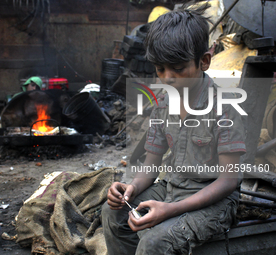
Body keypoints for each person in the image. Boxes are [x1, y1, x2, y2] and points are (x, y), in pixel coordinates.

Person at [102, 3, 246, 255]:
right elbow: (152, 165)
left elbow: (228, 181)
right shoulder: (164, 103)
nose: (167, 78)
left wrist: (170, 209)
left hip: (216, 201)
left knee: (155, 242)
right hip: (173, 186)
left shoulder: (224, 108)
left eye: (178, 68)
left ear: (204, 61)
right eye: (160, 69)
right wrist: (132, 187)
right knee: (112, 211)